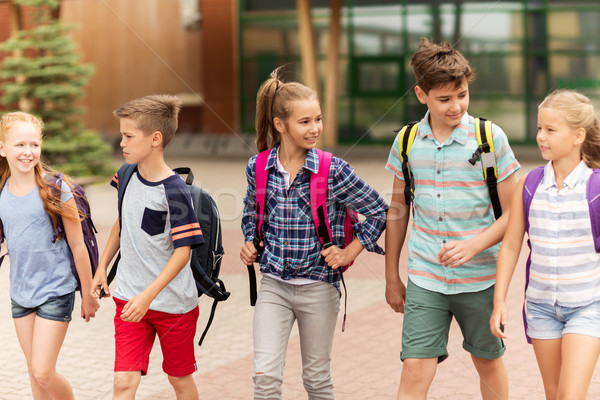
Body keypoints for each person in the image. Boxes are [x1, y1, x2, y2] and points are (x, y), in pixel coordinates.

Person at [240, 67, 388, 400]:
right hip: (274, 286)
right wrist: (250, 241)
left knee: (316, 380)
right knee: (264, 379)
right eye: (304, 121)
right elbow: (251, 212)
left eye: (317, 119)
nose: (315, 128)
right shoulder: (258, 167)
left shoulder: (333, 170)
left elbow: (381, 210)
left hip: (320, 288)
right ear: (280, 125)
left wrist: (349, 252)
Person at [384, 37, 520, 400]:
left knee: (488, 363)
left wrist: (474, 245)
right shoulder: (408, 141)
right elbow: (397, 213)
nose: (455, 106)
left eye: (461, 94)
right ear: (421, 94)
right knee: (414, 367)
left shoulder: (489, 140)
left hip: (481, 279)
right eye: (444, 99)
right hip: (426, 276)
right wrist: (391, 276)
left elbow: (514, 214)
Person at [91, 95, 204, 400]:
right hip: (129, 300)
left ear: (155, 138)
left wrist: (148, 296)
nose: (121, 142)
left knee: (179, 380)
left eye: (128, 136)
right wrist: (102, 268)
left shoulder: (176, 191)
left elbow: (184, 252)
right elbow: (120, 224)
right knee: (123, 382)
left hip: (173, 307)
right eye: (121, 135)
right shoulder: (126, 174)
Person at [490, 89, 600, 399]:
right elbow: (511, 247)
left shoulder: (596, 187)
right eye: (540, 128)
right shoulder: (530, 183)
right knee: (554, 395)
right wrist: (500, 301)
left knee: (570, 396)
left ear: (578, 135)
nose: (541, 136)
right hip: (540, 309)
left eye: (551, 130)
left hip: (588, 307)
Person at [0, 111, 99, 399]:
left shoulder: (57, 188)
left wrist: (89, 294)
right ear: (3, 148)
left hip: (56, 290)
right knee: (34, 374)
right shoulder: (2, 190)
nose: (28, 152)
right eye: (19, 145)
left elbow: (78, 245)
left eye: (34, 144)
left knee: (43, 371)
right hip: (20, 292)